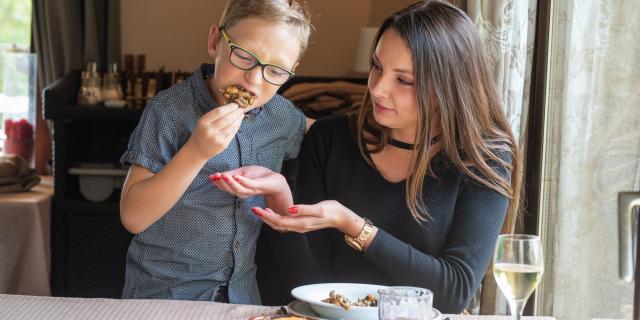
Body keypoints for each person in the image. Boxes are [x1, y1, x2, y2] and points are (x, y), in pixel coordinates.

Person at [210, 0, 521, 313]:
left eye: (404, 80)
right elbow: (306, 285)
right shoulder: (331, 139)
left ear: (449, 87)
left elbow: (454, 293)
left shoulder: (484, 159)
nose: (378, 89)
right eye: (377, 67)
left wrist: (356, 227)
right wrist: (281, 200)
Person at [118, 0, 313, 304]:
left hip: (242, 299)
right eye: (244, 56)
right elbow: (133, 216)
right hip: (164, 299)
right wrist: (196, 151)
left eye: (275, 71)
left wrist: (279, 186)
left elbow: (331, 138)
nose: (254, 79)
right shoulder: (168, 111)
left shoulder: (282, 117)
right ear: (215, 42)